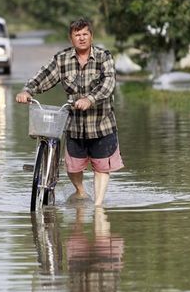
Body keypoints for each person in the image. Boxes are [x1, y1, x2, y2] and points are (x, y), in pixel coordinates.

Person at [15, 18, 124, 206]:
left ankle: (98, 206)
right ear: (71, 38)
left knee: (101, 168)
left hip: (101, 124)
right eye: (77, 35)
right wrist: (27, 91)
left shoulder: (104, 57)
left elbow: (108, 84)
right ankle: (80, 191)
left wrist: (89, 99)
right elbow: (44, 76)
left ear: (91, 36)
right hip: (74, 126)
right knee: (73, 168)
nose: (81, 38)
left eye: (85, 34)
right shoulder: (62, 59)